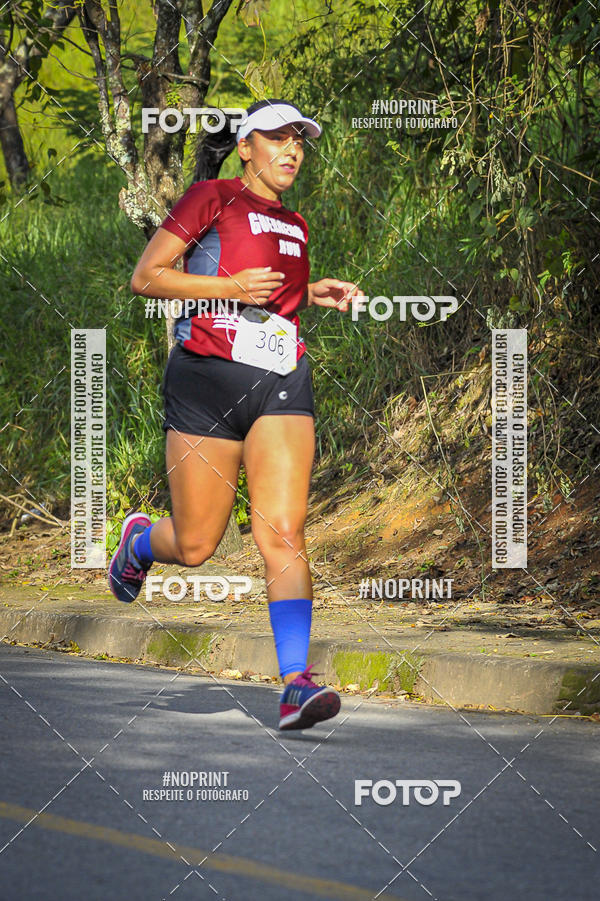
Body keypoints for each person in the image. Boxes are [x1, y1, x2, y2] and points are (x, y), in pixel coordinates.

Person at [109, 99, 364, 730]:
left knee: (282, 531)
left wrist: (317, 290)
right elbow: (148, 277)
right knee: (196, 545)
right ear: (246, 146)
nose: (293, 148)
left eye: (300, 140)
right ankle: (140, 542)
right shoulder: (209, 197)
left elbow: (276, 295)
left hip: (279, 382)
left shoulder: (297, 224)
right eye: (278, 137)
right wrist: (223, 289)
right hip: (202, 385)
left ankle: (296, 684)